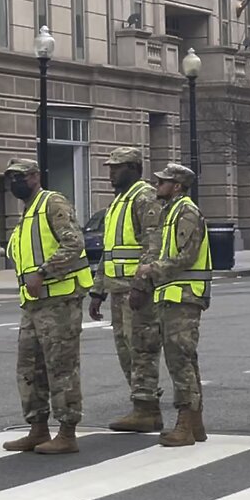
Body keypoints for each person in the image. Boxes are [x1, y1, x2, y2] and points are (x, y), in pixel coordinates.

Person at [2, 158, 93, 454]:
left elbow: (74, 243)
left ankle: (67, 432)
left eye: (20, 177)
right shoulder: (27, 213)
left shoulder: (52, 203)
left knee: (61, 367)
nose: (15, 183)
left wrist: (42, 271)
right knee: (30, 367)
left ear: (35, 176)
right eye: (11, 178)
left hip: (59, 300)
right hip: (33, 304)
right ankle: (37, 428)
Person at [133, 164, 212, 447]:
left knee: (180, 361)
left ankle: (185, 425)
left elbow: (185, 256)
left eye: (163, 182)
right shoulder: (172, 212)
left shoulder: (186, 212)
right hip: (173, 295)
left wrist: (152, 268)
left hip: (185, 296)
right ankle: (196, 424)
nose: (157, 185)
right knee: (185, 359)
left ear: (177, 186)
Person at [88, 147, 164, 433]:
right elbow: (109, 252)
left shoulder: (144, 198)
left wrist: (141, 285)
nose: (110, 172)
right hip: (118, 290)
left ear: (134, 168)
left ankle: (146, 409)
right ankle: (142, 406)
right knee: (126, 350)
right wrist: (98, 291)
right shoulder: (119, 201)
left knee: (142, 349)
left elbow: (152, 246)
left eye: (116, 167)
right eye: (109, 167)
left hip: (137, 291)